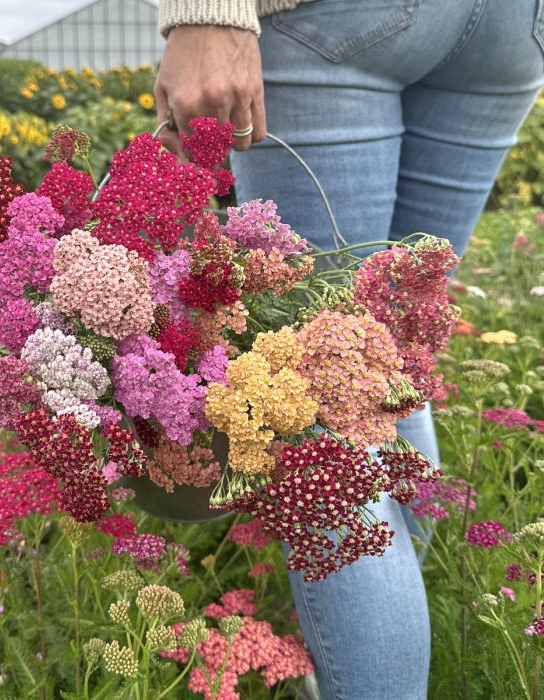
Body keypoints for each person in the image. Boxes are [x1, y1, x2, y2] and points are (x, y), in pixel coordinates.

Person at [154, 1, 544, 698]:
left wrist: (206, 13)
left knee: (324, 417)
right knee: (386, 360)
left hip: (342, 18)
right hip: (515, 26)